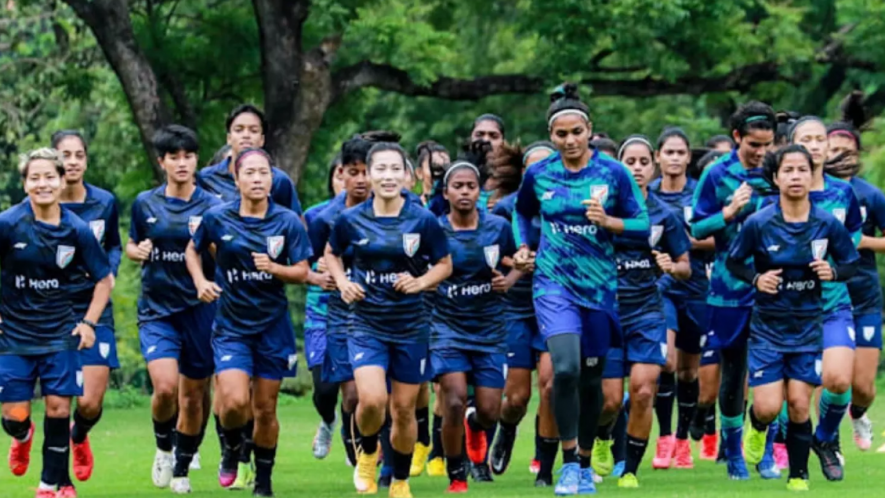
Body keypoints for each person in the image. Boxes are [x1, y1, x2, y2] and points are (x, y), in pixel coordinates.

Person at [513, 83, 649, 496]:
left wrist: (610, 223)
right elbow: (521, 211)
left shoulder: (614, 173)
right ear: (551, 135)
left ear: (589, 130)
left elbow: (642, 224)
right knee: (566, 368)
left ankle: (586, 463)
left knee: (592, 381)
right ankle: (569, 463)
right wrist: (523, 246)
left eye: (577, 132)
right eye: (561, 134)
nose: (570, 140)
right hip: (553, 284)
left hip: (599, 289)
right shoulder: (539, 174)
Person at [727, 145, 859, 491]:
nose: (796, 176)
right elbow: (734, 262)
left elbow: (851, 262)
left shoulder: (826, 222)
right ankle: (758, 426)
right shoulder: (758, 223)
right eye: (788, 170)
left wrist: (833, 272)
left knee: (800, 404)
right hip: (768, 328)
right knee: (769, 407)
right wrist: (757, 279)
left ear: (811, 175)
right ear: (776, 177)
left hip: (808, 326)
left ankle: (798, 476)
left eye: (802, 170)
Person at [325, 141, 452, 498]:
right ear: (369, 174)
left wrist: (420, 282)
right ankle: (368, 453)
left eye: (396, 169)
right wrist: (343, 282)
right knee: (371, 400)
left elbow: (444, 264)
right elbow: (331, 254)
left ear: (407, 175)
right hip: (366, 324)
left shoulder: (422, 220)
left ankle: (399, 479)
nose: (388, 176)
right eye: (380, 169)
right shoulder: (350, 220)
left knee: (404, 410)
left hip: (410, 326)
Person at [186, 147, 311, 497]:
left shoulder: (287, 221)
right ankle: (231, 448)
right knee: (234, 401)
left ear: (272, 180)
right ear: (236, 179)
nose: (257, 179)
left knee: (265, 409)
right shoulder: (217, 217)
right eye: (250, 173)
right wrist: (200, 282)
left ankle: (264, 482)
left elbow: (302, 271)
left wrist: (275, 268)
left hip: (273, 327)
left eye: (264, 173)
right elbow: (192, 249)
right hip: (231, 327)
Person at [1, 148, 112, 498]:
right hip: (13, 335)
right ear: (25, 184)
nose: (43, 184)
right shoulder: (7, 224)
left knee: (60, 408)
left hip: (59, 332)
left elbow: (104, 279)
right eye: (34, 178)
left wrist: (89, 323)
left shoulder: (77, 230)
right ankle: (23, 437)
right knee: (14, 416)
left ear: (62, 181)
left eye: (49, 176)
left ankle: (49, 486)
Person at [127, 125, 223, 493]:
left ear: (196, 160)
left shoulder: (213, 206)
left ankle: (182, 469)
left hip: (201, 309)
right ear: (162, 162)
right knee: (166, 388)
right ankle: (163, 448)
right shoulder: (145, 203)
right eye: (174, 157)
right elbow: (133, 244)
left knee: (194, 396)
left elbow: (226, 253)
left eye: (188, 156)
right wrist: (137, 251)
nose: (182, 163)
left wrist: (214, 251)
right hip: (157, 309)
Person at [594, 135, 691, 488]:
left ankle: (631, 471)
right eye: (629, 162)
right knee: (608, 401)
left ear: (653, 166)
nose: (636, 168)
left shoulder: (665, 215)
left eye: (643, 162)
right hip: (606, 312)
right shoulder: (600, 211)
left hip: (648, 312)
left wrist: (671, 268)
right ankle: (602, 438)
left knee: (644, 390)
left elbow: (686, 266)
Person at [691, 101, 777, 480]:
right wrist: (727, 213)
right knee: (734, 371)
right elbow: (696, 228)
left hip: (776, 288)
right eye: (754, 144)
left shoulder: (779, 172)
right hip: (728, 290)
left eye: (767, 145)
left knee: (775, 371)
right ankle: (733, 453)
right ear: (737, 137)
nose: (761, 152)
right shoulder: (716, 174)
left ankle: (767, 451)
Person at [780, 116, 861, 482]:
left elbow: (854, 234)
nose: (814, 145)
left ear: (828, 147)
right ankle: (782, 446)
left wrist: (838, 257)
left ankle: (825, 438)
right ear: (791, 145)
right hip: (790, 307)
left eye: (819, 139)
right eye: (806, 139)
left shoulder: (843, 193)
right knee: (791, 397)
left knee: (839, 380)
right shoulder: (779, 193)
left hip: (833, 302)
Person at [430, 160, 517, 493]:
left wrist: (509, 280)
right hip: (447, 328)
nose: (464, 192)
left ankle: (476, 426)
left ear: (480, 192)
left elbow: (519, 260)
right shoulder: (434, 230)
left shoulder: (498, 228)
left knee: (490, 411)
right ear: (446, 193)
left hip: (490, 329)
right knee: (452, 400)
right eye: (458, 186)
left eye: (471, 186)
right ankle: (456, 475)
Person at [50, 130, 122, 490]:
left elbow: (114, 246)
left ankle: (79, 435)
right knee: (59, 401)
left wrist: (109, 273)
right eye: (66, 155)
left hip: (95, 305)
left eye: (79, 155)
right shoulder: (41, 204)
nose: (73, 162)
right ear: (54, 160)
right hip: (52, 309)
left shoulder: (104, 202)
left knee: (90, 403)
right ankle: (61, 482)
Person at [489, 141, 560, 488]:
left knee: (551, 386)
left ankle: (545, 468)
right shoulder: (506, 208)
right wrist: (515, 262)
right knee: (517, 397)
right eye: (534, 167)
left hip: (555, 305)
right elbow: (492, 252)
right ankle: (506, 428)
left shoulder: (567, 206)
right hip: (514, 307)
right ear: (524, 173)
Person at [647, 128, 715, 469]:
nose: (674, 158)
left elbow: (721, 236)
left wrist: (686, 242)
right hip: (661, 287)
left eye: (680, 153)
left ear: (689, 158)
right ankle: (663, 438)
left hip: (696, 287)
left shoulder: (700, 194)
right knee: (667, 362)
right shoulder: (647, 196)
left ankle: (683, 441)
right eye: (668, 152)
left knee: (689, 373)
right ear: (658, 157)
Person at [310, 134, 378, 469]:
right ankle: (354, 449)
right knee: (340, 393)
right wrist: (321, 272)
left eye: (367, 172)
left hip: (383, 313)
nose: (362, 180)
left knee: (374, 395)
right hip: (335, 313)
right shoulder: (323, 220)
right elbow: (307, 263)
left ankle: (377, 456)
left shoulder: (394, 213)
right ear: (342, 173)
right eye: (354, 172)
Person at [825, 122, 885, 451]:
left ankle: (859, 412)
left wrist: (862, 241)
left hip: (864, 296)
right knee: (831, 378)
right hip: (826, 298)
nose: (839, 156)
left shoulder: (871, 195)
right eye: (833, 149)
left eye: (846, 151)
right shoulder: (814, 193)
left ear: (857, 155)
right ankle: (829, 443)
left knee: (862, 387)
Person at [305, 154, 345, 460]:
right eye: (340, 174)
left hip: (361, 312)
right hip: (320, 311)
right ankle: (329, 421)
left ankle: (358, 439)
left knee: (359, 390)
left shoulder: (376, 217)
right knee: (325, 389)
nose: (347, 180)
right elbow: (298, 262)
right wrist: (316, 269)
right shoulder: (315, 216)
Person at [198, 104, 303, 216]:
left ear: (262, 139)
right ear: (229, 138)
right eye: (239, 130)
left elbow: (296, 222)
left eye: (253, 131)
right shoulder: (207, 177)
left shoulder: (279, 180)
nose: (246, 135)